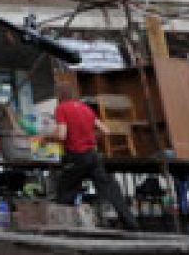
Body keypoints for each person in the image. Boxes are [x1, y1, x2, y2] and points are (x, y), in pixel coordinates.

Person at [50, 94, 139, 230]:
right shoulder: (85, 108)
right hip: (93, 156)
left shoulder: (61, 108)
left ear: (59, 97)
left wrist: (46, 137)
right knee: (110, 189)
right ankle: (131, 223)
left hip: (75, 156)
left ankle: (64, 227)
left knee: (65, 190)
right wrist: (90, 137)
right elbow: (105, 131)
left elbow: (62, 135)